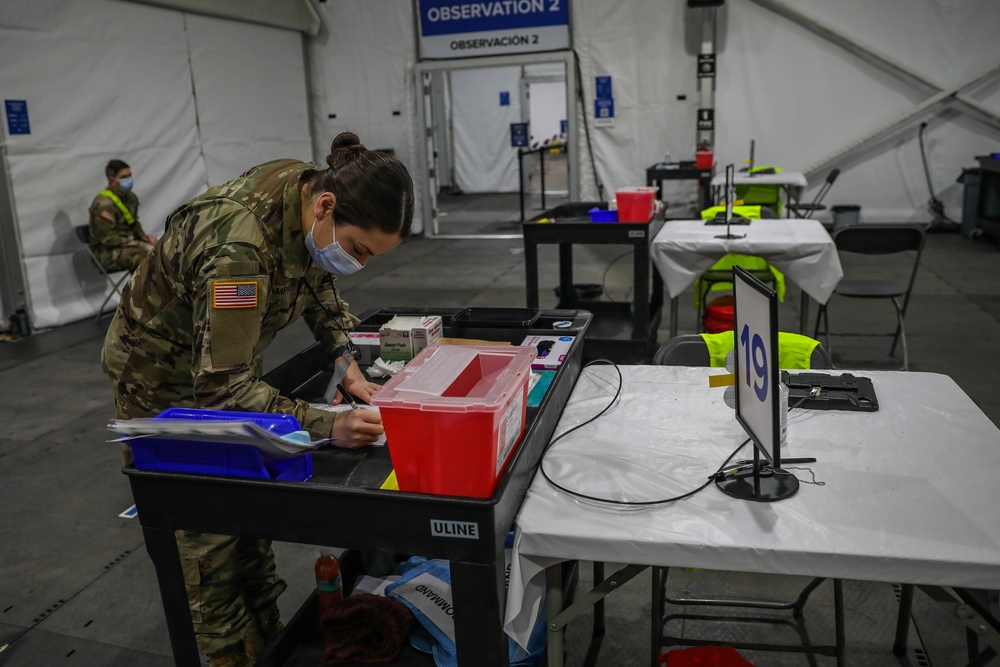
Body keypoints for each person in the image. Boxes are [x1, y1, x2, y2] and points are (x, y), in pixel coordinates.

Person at [101, 132, 414, 667]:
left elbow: (318, 286)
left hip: (218, 365)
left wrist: (348, 363)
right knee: (207, 543)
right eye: (359, 250)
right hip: (160, 381)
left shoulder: (308, 190)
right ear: (327, 207)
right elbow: (222, 390)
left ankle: (265, 641)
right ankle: (228, 653)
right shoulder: (237, 254)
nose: (356, 263)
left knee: (249, 520)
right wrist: (328, 426)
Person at [88, 159, 157, 271]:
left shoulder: (130, 198)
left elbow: (133, 222)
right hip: (105, 252)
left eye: (130, 176)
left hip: (125, 245)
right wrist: (140, 245)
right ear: (111, 180)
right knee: (146, 256)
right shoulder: (104, 204)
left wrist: (144, 237)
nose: (129, 180)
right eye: (124, 177)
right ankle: (141, 288)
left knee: (162, 249)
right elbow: (107, 239)